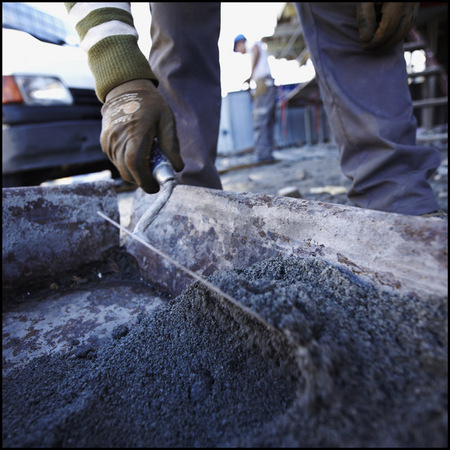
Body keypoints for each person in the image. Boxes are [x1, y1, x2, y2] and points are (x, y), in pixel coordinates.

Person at [65, 2, 444, 217]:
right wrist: (120, 80)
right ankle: (187, 203)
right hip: (259, 84)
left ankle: (398, 197)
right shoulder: (255, 51)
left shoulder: (258, 48)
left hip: (264, 87)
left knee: (353, 15)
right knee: (180, 35)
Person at [233, 34, 277, 163]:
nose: (240, 52)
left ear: (240, 43)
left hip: (263, 85)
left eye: (238, 49)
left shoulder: (251, 43)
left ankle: (263, 154)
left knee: (261, 119)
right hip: (267, 85)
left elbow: (256, 49)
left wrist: (251, 75)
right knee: (267, 120)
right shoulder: (255, 48)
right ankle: (267, 153)